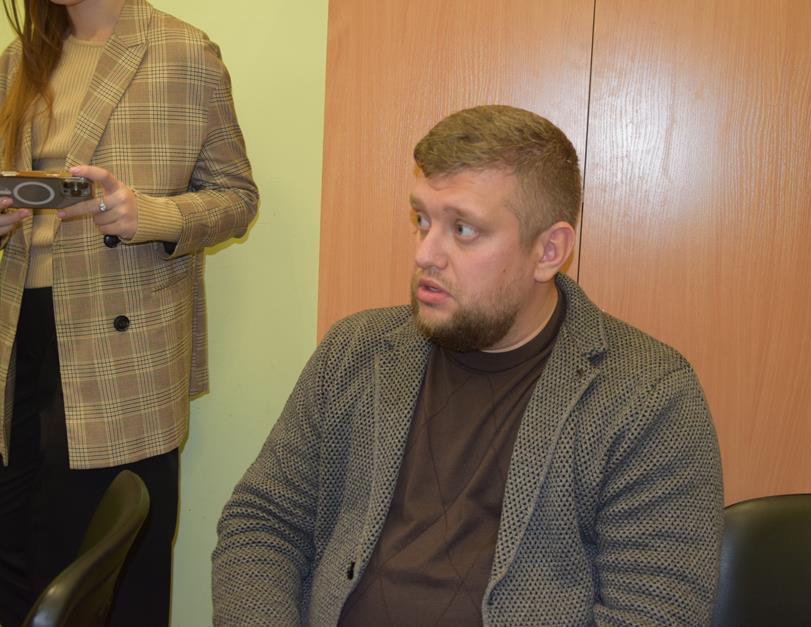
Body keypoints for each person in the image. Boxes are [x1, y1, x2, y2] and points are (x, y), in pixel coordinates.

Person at [213, 105, 721, 626]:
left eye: (463, 229)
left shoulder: (647, 395)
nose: (426, 254)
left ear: (549, 250)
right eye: (422, 220)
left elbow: (657, 614)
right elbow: (264, 522)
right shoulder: (356, 351)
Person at [0, 0, 258, 625]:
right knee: (14, 558)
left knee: (107, 575)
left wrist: (150, 215)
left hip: (124, 351)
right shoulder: (18, 60)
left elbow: (237, 197)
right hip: (18, 340)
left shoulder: (184, 51)